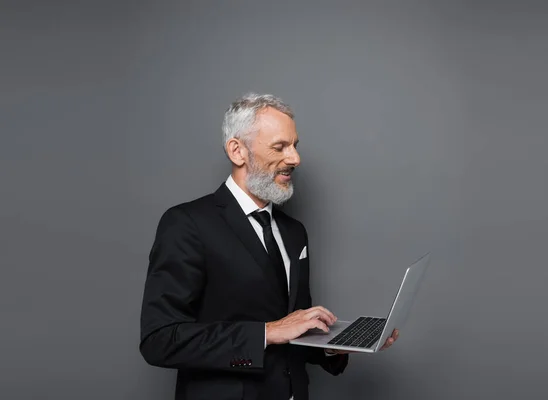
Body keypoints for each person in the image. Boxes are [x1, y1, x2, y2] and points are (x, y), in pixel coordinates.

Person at [139, 93, 399, 400]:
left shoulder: (294, 233)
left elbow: (293, 328)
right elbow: (160, 340)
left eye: (295, 146)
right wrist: (267, 332)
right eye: (280, 147)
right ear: (237, 151)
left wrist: (332, 345)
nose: (295, 159)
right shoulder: (186, 224)